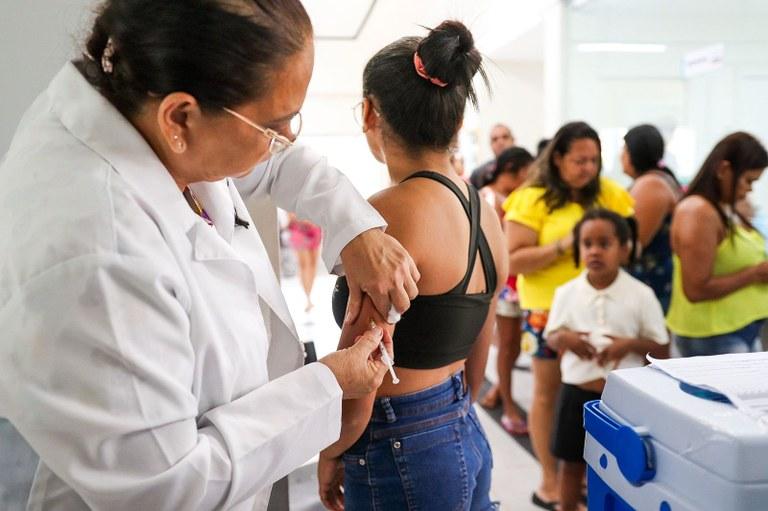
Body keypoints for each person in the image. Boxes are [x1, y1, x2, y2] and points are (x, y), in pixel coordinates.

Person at [0, 2, 423, 510]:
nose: (287, 139)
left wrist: (356, 228)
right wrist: (331, 383)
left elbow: (274, 163)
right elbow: (168, 487)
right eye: (275, 125)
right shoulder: (99, 256)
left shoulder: (147, 111)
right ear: (181, 116)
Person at [320, 20, 507, 511]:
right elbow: (481, 340)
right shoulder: (483, 211)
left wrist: (333, 447)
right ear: (458, 121)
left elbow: (367, 360)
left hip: (398, 438)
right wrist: (456, 411)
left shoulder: (389, 212)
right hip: (462, 427)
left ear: (368, 113)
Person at [504, 121, 634, 510]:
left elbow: (628, 242)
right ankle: (549, 479)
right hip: (548, 312)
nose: (588, 168)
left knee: (595, 397)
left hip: (602, 311)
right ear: (557, 158)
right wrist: (566, 243)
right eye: (579, 160)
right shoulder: (532, 198)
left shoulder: (610, 193)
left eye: (594, 160)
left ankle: (581, 477)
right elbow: (515, 259)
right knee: (549, 395)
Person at [545, 209, 669, 511]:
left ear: (624, 249)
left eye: (604, 243)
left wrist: (629, 345)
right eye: (587, 244)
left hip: (623, 402)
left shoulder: (641, 295)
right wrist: (566, 339)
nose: (594, 251)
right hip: (576, 393)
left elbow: (662, 348)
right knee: (571, 464)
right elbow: (551, 336)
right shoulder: (566, 293)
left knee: (623, 466)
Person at [667, 132, 768, 357]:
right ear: (724, 170)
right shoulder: (698, 212)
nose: (749, 190)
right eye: (748, 181)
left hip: (740, 328)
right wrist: (754, 274)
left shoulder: (724, 208)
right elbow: (696, 288)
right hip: (714, 335)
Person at [478, 147, 534, 435]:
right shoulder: (490, 196)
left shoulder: (507, 198)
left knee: (512, 345)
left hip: (514, 282)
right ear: (515, 169)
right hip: (504, 283)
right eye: (529, 171)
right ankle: (509, 405)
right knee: (508, 345)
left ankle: (501, 390)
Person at [621, 124, 683, 312]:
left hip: (650, 284)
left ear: (632, 153)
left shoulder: (651, 185)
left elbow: (634, 242)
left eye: (623, 150)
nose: (620, 156)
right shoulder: (655, 180)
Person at [287, 214, 322, 312]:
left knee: (313, 265)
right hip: (299, 229)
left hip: (314, 228)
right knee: (304, 265)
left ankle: (309, 296)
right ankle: (308, 297)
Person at [469, 123, 516, 189]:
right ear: (490, 145)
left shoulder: (528, 168)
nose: (500, 142)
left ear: (513, 140)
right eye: (495, 139)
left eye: (505, 137)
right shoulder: (479, 174)